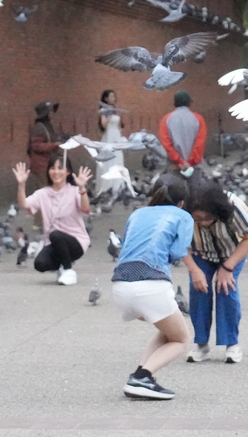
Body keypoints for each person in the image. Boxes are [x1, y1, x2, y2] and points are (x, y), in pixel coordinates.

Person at [111, 175, 204, 400]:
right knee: (181, 339)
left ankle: (140, 376)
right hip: (151, 285)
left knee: (168, 330)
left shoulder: (137, 213)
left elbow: (126, 244)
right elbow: (178, 252)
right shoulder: (183, 216)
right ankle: (142, 377)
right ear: (182, 201)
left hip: (120, 286)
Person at [185, 178, 248, 363]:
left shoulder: (233, 207)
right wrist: (194, 271)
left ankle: (231, 343)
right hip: (199, 252)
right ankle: (201, 344)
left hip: (232, 252)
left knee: (226, 288)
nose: (203, 223)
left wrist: (227, 267)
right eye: (197, 219)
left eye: (208, 218)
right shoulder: (182, 211)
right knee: (199, 290)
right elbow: (178, 244)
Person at [12, 153, 92, 286]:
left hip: (76, 242)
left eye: (60, 168)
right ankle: (63, 266)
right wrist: (21, 184)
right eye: (52, 168)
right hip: (54, 243)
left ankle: (68, 270)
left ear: (68, 171)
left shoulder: (74, 191)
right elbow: (24, 204)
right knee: (40, 264)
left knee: (56, 234)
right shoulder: (43, 193)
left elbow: (85, 208)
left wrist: (82, 188)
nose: (56, 172)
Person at [157, 90, 208, 174]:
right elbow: (200, 143)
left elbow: (166, 144)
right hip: (195, 166)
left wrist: (179, 161)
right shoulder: (198, 119)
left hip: (174, 166)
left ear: (175, 103)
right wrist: (190, 162)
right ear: (189, 103)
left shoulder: (166, 119)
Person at [27, 101, 62, 177]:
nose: (52, 113)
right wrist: (54, 145)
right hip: (42, 167)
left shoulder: (48, 126)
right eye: (50, 112)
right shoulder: (39, 127)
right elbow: (36, 146)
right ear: (46, 114)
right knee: (44, 184)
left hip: (49, 165)